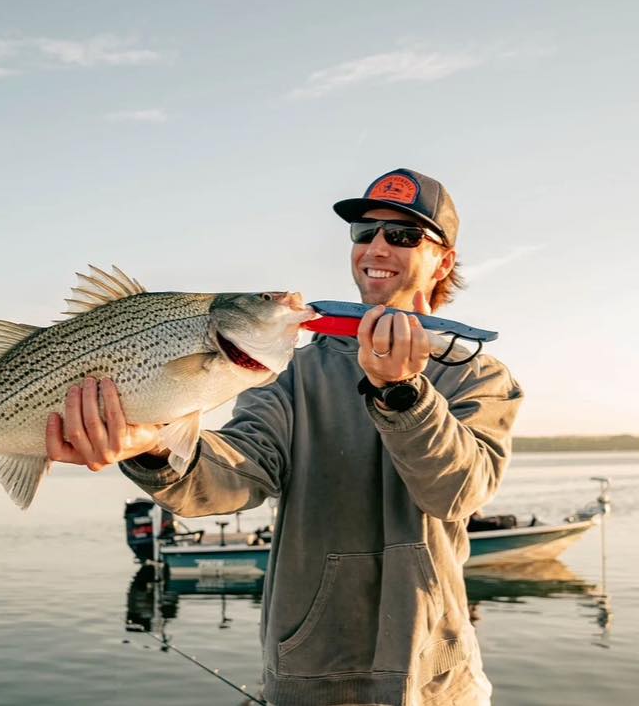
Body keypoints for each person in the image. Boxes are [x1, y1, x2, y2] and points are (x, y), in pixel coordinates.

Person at [46, 168, 524, 706]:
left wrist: (402, 393)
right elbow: (235, 476)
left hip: (437, 678)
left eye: (404, 235)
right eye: (364, 232)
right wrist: (153, 448)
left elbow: (457, 493)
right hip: (309, 674)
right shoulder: (289, 371)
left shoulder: (477, 375)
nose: (377, 246)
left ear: (444, 260)